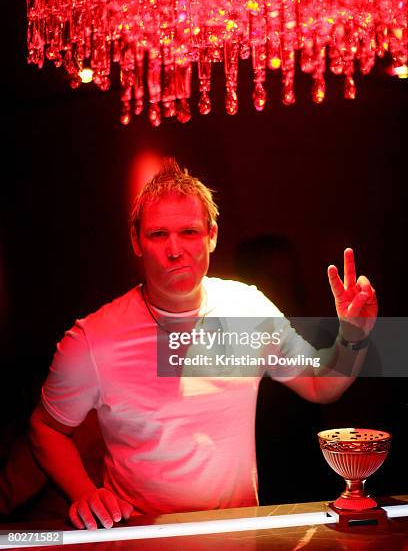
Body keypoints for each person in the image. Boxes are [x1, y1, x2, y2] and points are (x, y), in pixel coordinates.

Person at [29, 158, 378, 530]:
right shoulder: (94, 339)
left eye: (189, 233)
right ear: (136, 241)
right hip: (141, 538)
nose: (175, 249)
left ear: (212, 235)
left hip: (238, 534)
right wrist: (83, 491)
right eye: (158, 235)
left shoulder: (247, 308)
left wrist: (353, 335)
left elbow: (319, 384)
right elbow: (46, 428)